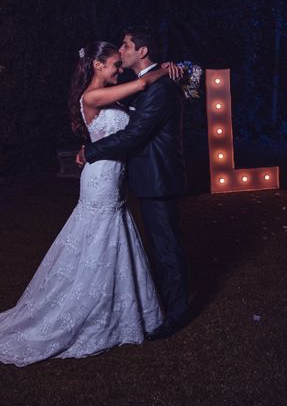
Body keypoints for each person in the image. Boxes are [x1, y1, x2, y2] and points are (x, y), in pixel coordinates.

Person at [0, 41, 173, 367]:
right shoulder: (91, 97)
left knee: (110, 237)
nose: (118, 69)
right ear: (96, 66)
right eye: (113, 65)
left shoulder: (110, 94)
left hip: (111, 176)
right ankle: (87, 312)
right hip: (99, 179)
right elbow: (143, 83)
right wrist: (174, 69)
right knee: (96, 239)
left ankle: (117, 309)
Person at [77, 26, 189, 341]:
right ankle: (149, 305)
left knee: (166, 248)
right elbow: (137, 90)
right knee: (152, 245)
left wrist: (91, 151)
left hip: (158, 179)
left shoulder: (160, 88)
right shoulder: (142, 85)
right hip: (131, 179)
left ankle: (177, 313)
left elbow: (135, 134)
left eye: (126, 46)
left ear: (141, 51)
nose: (121, 51)